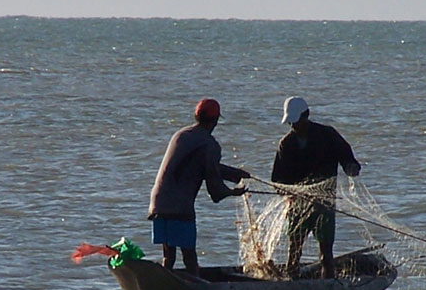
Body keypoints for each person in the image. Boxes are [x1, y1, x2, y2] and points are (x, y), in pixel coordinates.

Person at [148, 98, 250, 276]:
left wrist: (235, 174)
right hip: (180, 207)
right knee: (189, 257)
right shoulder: (210, 144)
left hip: (158, 203)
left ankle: (165, 285)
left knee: (169, 257)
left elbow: (201, 166)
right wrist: (234, 192)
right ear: (216, 120)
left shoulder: (181, 134)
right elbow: (215, 190)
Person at [271, 96, 361, 279]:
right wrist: (286, 191)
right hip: (297, 206)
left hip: (324, 205)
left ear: (306, 115)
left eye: (297, 121)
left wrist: (351, 167)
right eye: (291, 122)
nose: (294, 126)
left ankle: (327, 284)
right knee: (294, 250)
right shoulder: (286, 144)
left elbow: (348, 159)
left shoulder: (328, 135)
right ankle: (292, 283)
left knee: (325, 252)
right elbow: (278, 179)